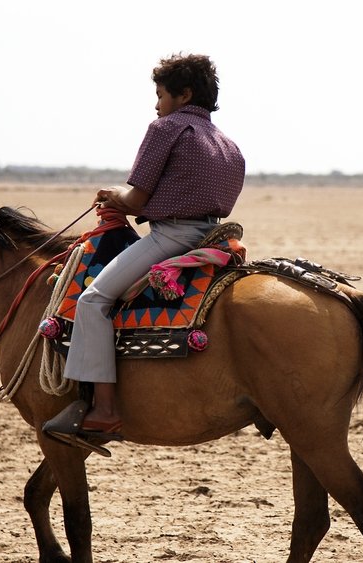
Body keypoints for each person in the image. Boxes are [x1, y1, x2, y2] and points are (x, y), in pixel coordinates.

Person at [43, 53, 245, 448]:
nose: (156, 104)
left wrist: (111, 195)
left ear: (183, 94)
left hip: (172, 237)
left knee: (92, 300)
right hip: (212, 236)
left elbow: (135, 199)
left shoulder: (166, 128)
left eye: (160, 94)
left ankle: (104, 410)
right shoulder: (228, 144)